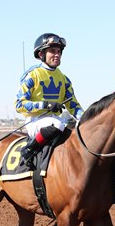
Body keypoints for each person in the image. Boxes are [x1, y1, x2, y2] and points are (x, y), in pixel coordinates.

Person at [15, 33, 84, 168]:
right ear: (41, 54)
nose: (57, 54)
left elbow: (73, 105)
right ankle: (28, 150)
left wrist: (85, 119)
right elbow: (19, 105)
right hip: (35, 121)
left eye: (59, 51)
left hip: (56, 121)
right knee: (57, 125)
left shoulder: (64, 79)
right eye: (52, 51)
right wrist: (45, 104)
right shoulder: (32, 75)